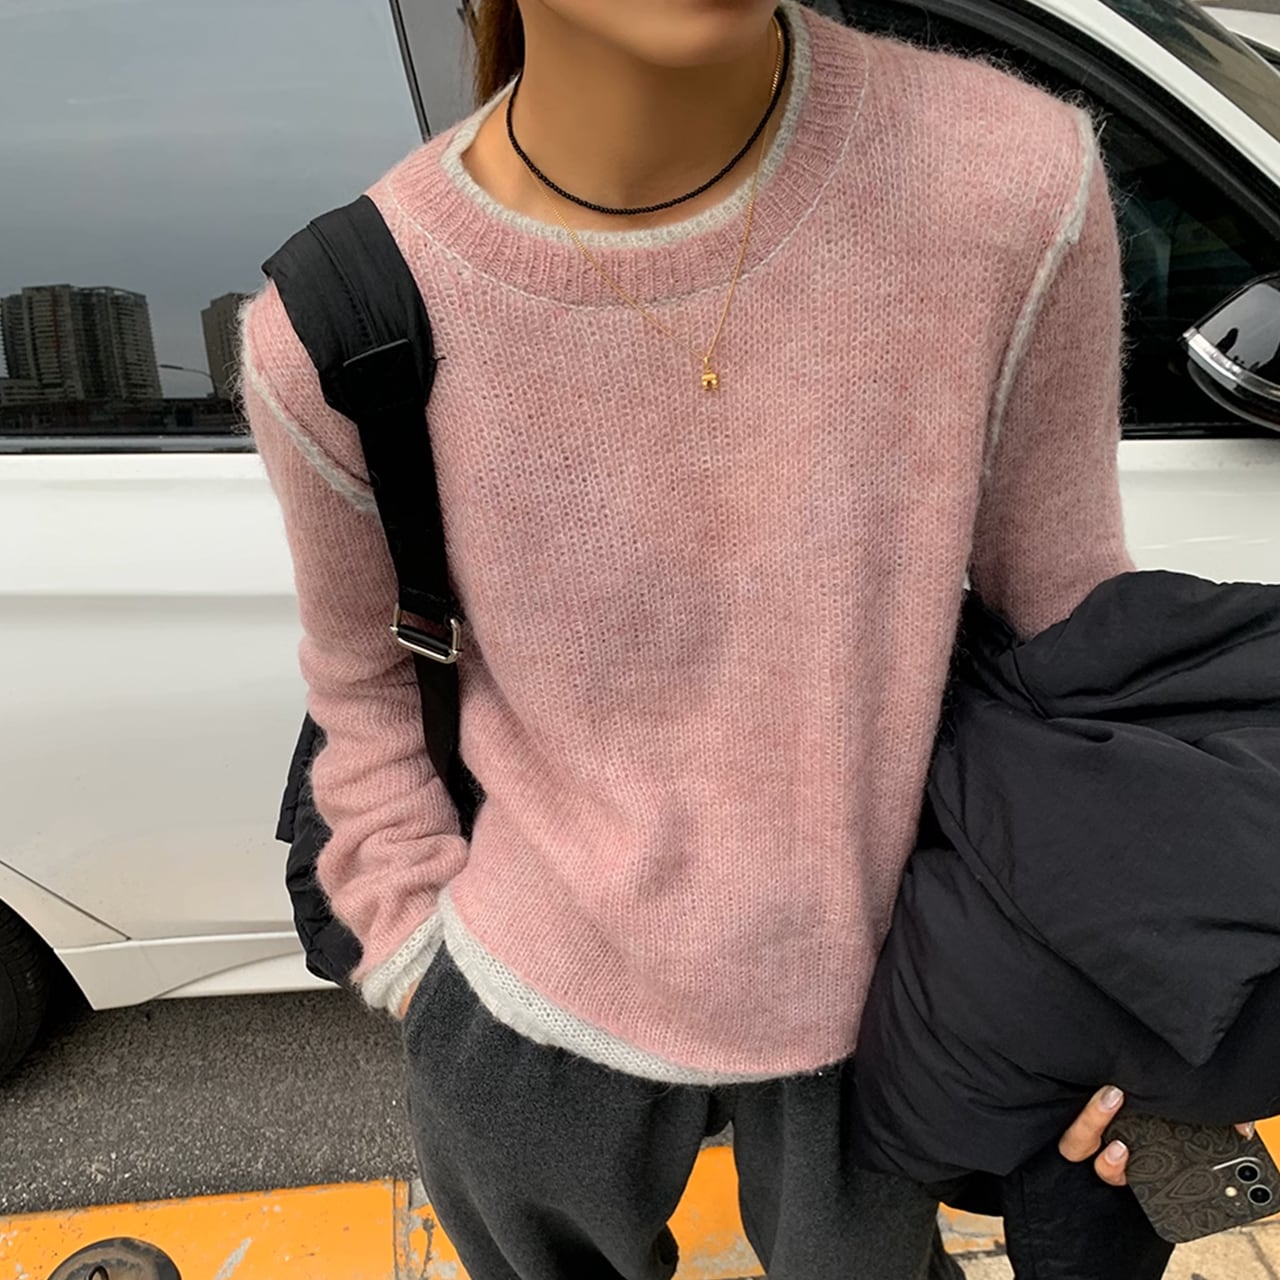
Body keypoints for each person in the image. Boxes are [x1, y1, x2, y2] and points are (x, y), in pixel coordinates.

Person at [240, 1, 1172, 1275]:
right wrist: (420, 956)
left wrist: (1104, 970)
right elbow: (365, 688)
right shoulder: (342, 315)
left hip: (895, 990)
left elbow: (1068, 624)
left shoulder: (1006, 176)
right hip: (524, 997)